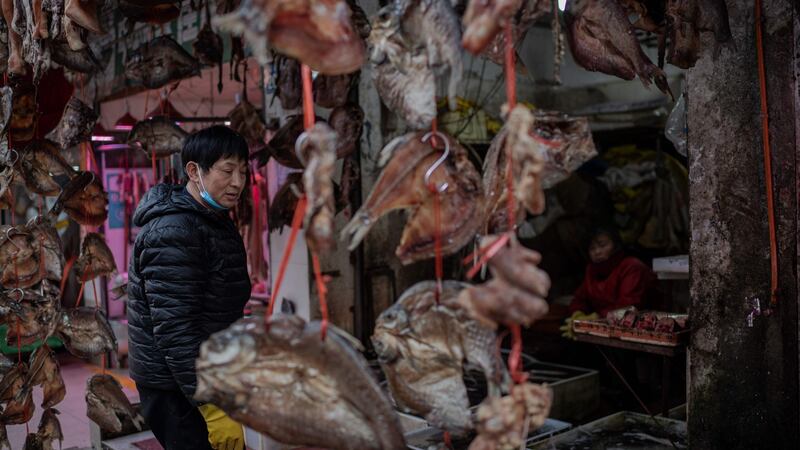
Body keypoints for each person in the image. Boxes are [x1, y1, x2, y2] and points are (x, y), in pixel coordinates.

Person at [127, 126, 251, 450]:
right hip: (177, 387)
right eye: (227, 170)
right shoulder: (176, 230)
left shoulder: (212, 220)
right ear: (194, 171)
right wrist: (210, 405)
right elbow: (175, 329)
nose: (238, 182)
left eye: (243, 171)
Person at [562, 228, 657, 337]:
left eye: (602, 245)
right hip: (605, 329)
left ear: (616, 246)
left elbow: (627, 308)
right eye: (592, 248)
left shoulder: (632, 266)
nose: (597, 252)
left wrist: (596, 317)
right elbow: (579, 299)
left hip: (640, 330)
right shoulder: (592, 270)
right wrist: (577, 314)